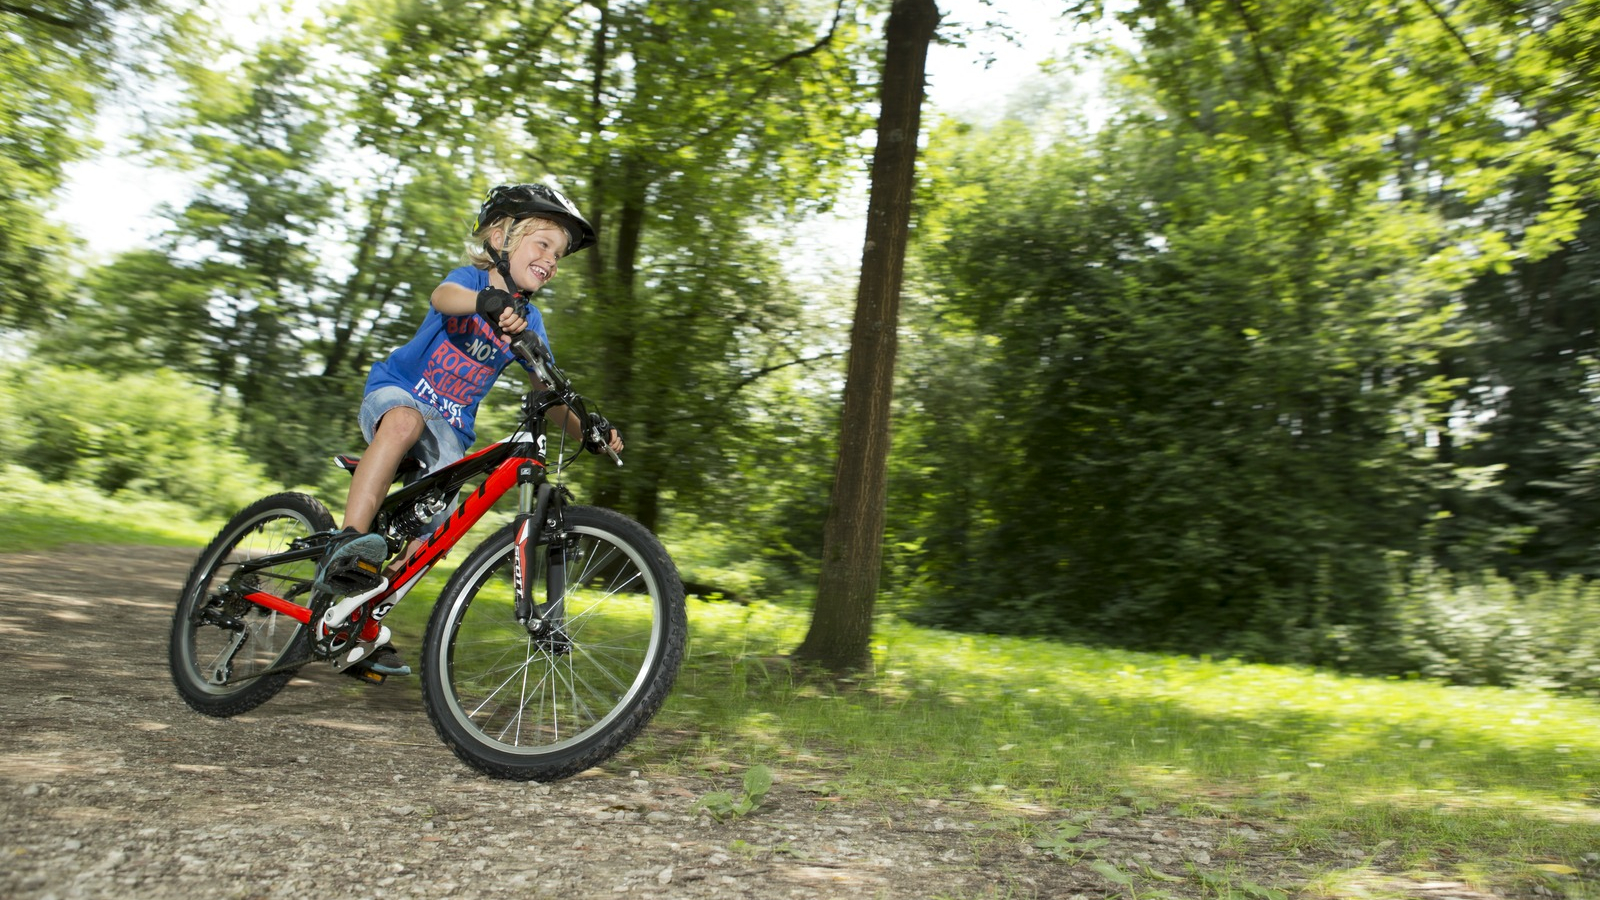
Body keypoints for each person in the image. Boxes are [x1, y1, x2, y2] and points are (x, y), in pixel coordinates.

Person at [313, 182, 624, 679]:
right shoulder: (472, 280)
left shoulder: (530, 320)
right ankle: (349, 544)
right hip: (398, 393)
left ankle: (364, 617)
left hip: (450, 434)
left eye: (559, 254)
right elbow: (444, 297)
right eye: (542, 243)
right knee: (406, 420)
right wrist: (485, 300)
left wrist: (588, 426)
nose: (552, 259)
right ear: (502, 238)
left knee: (444, 521)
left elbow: (548, 389)